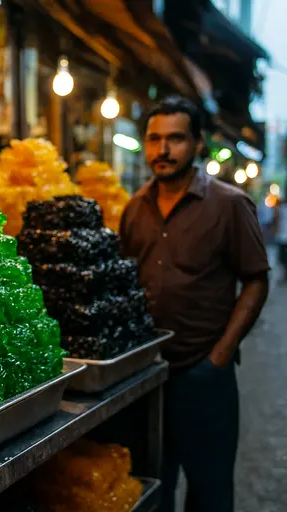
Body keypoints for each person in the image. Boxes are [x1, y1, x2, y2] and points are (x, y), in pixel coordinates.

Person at [119, 96, 270, 512]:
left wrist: (219, 357)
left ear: (198, 144)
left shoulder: (229, 204)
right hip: (147, 379)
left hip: (204, 377)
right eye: (153, 139)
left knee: (210, 492)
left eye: (175, 139)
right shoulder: (133, 210)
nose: (162, 150)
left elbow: (256, 281)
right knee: (153, 487)